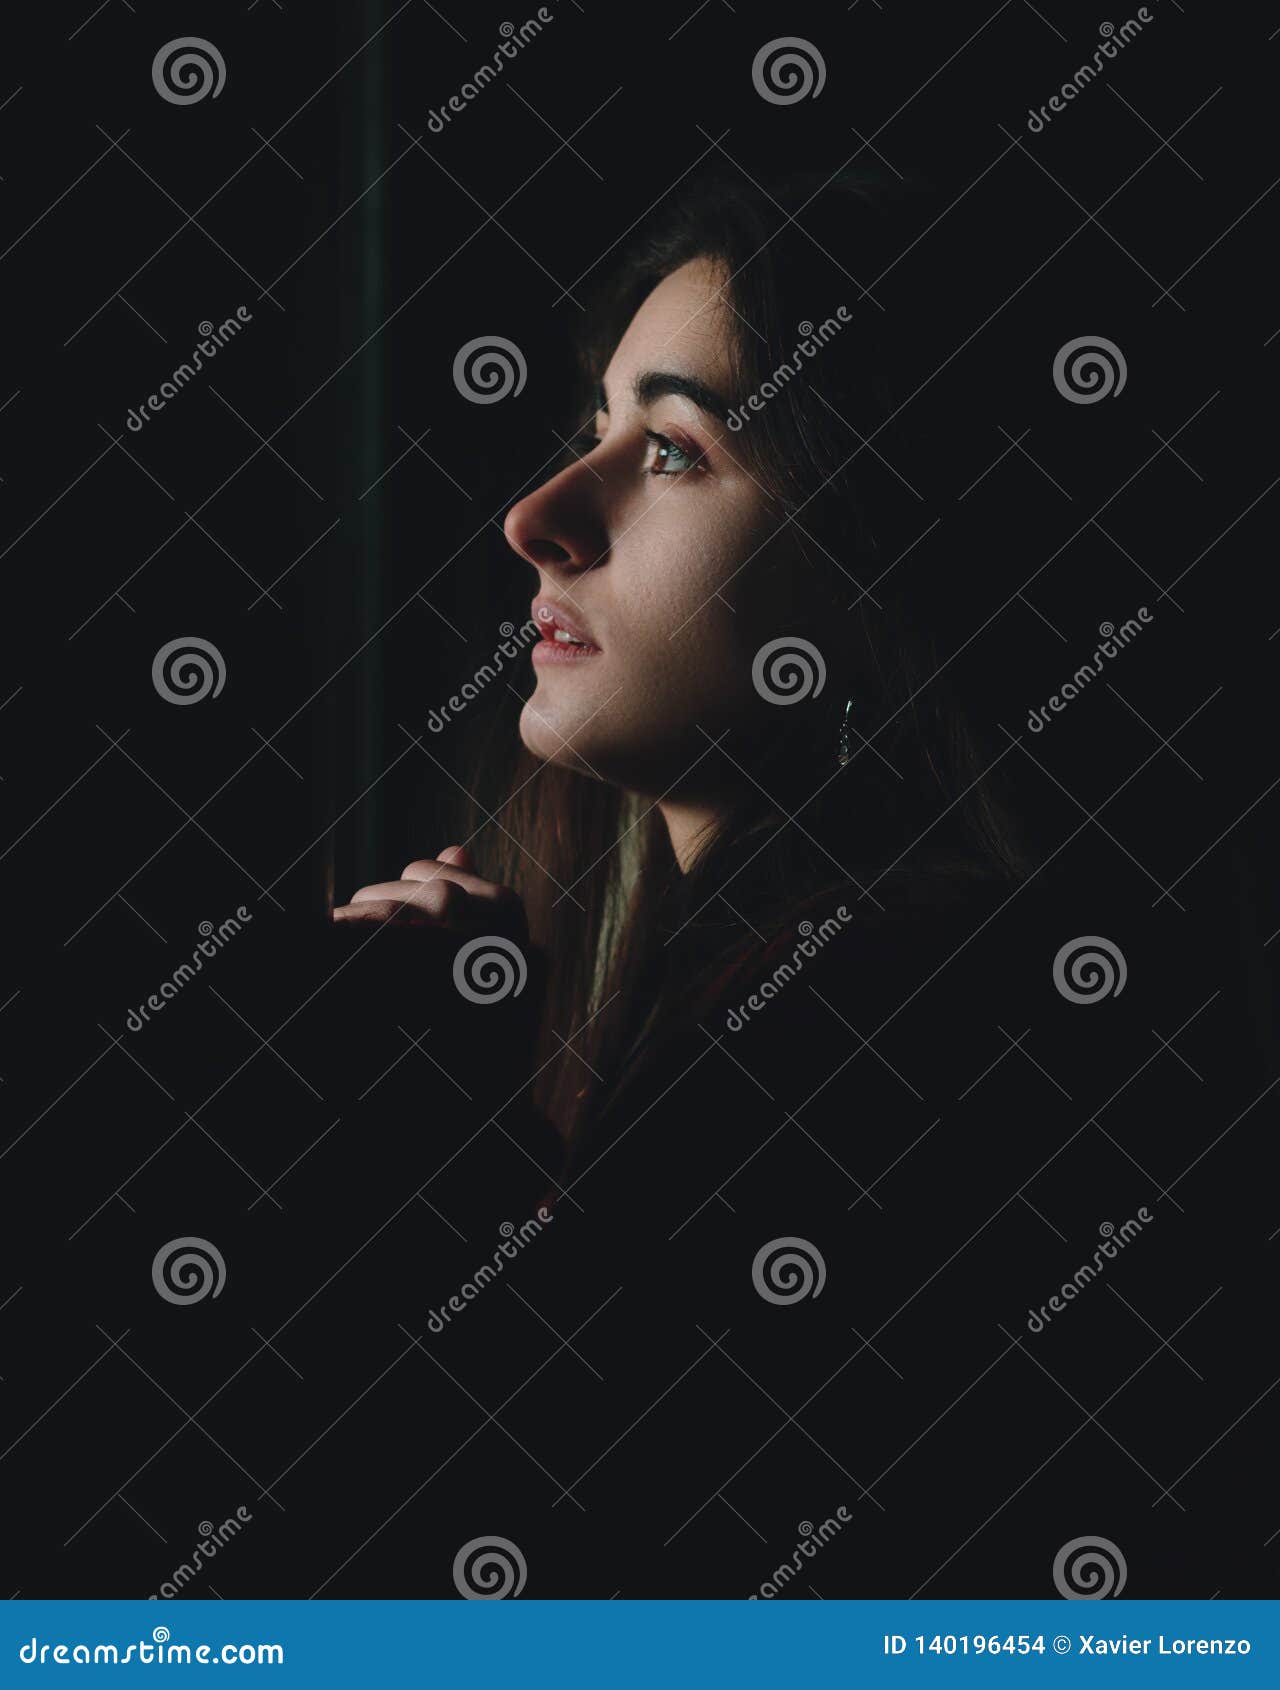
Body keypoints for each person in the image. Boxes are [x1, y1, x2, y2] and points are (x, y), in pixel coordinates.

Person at [323, 172, 1226, 1597]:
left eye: (676, 450)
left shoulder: (892, 1010)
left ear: (871, 573)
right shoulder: (673, 985)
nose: (542, 514)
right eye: (593, 430)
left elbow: (573, 1553)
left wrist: (433, 1129)